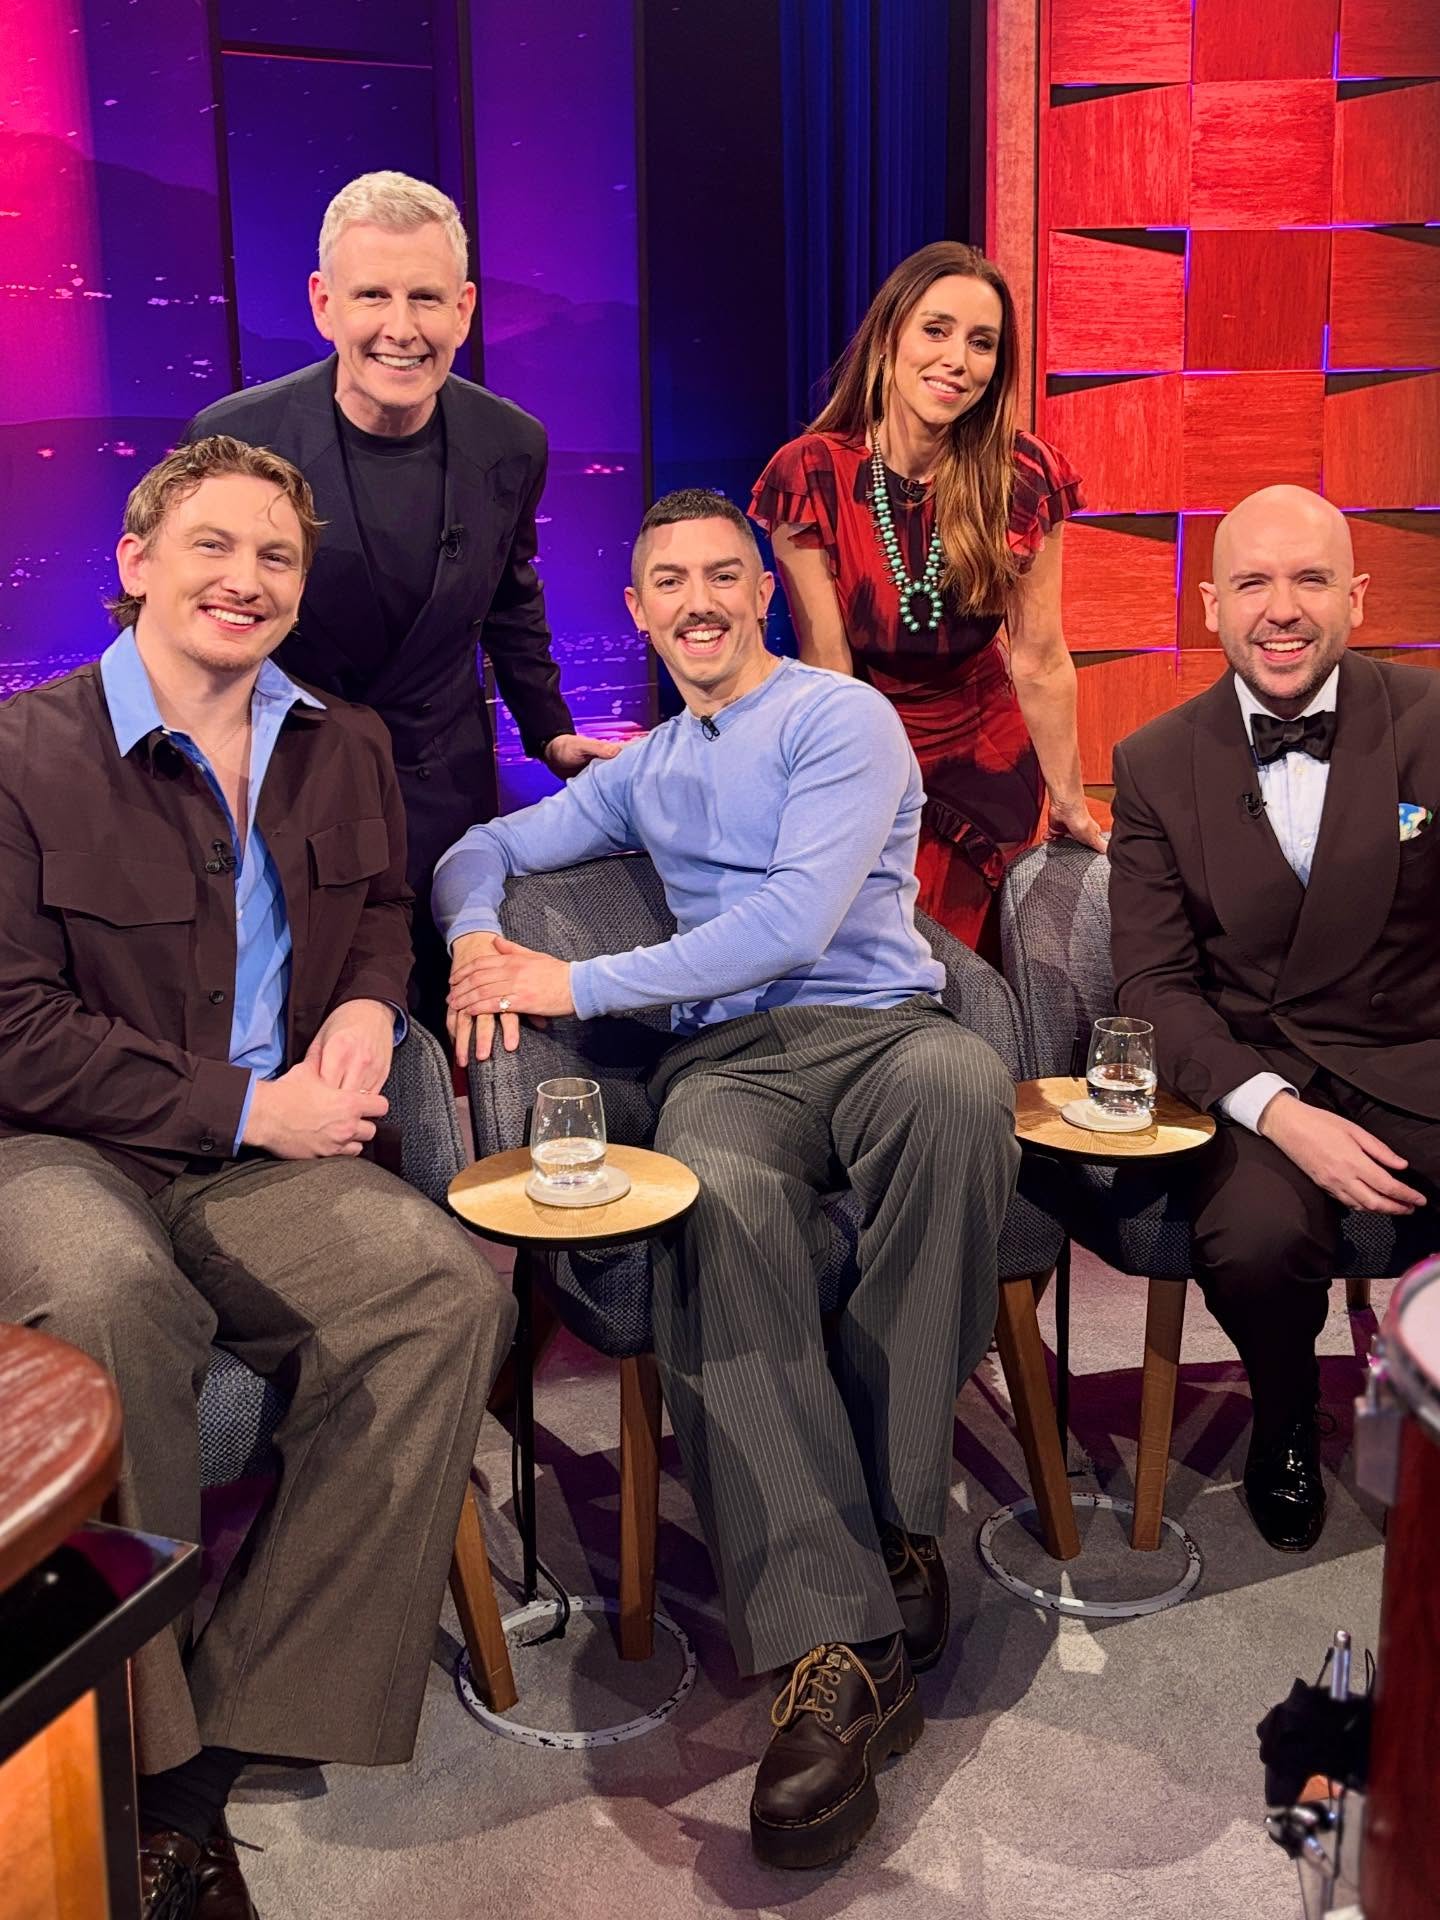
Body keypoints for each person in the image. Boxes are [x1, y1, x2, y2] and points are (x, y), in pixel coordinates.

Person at [435, 488, 1018, 1868]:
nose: (697, 601)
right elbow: (484, 847)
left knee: (962, 1089)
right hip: (730, 1067)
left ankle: (898, 1521)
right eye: (668, 583)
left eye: (721, 576)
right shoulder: (646, 766)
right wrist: (471, 937)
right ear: (637, 612)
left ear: (762, 593)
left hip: (882, 1029)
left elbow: (793, 922)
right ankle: (839, 1644)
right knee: (713, 1194)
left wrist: (572, 979)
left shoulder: (838, 719)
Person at [0, 437, 516, 1920]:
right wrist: (245, 1106)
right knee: (110, 1295)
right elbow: (13, 1028)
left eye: (276, 556)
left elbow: (384, 907)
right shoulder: (22, 752)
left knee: (442, 1296)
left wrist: (364, 1000)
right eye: (213, 546)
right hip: (64, 1143)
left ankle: (221, 1732)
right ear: (136, 562)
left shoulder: (343, 741)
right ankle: (145, 1766)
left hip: (265, 1147)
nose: (246, 579)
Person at [187, 170, 617, 1030]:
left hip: (439, 784)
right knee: (311, 1021)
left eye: (425, 297)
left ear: (463, 309)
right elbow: (193, 621)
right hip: (286, 781)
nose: (401, 327)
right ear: (323, 303)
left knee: (439, 1015)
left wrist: (550, 732)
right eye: (372, 295)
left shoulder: (511, 441)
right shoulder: (235, 439)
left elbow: (511, 601)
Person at [1109, 483, 1440, 1553]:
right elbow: (1152, 984)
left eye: (1310, 580)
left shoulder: (1432, 720)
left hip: (1414, 1052)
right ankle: (1286, 1416)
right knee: (1254, 1238)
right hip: (1259, 1074)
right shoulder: (1154, 761)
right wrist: (1280, 1113)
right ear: (1211, 605)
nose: (1282, 608)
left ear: (1358, 596)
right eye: (1253, 582)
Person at [751, 241, 1107, 955]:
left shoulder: (1023, 474)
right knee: (878, 960)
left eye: (981, 343)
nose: (957, 361)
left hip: (987, 759)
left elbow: (1039, 658)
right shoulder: (811, 475)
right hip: (870, 745)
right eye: (936, 330)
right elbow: (828, 666)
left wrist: (1070, 802)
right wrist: (839, 798)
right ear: (890, 336)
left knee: (979, 969)